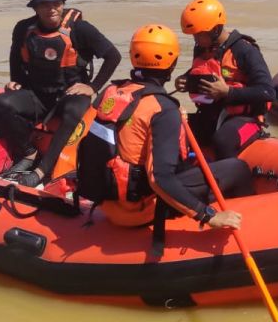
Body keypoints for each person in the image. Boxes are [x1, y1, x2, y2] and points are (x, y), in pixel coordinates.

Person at [76, 24, 251, 228]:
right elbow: (159, 178)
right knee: (237, 168)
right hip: (140, 209)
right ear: (173, 62)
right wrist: (207, 215)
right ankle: (252, 221)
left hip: (108, 202)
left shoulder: (113, 91)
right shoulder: (162, 109)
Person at [0, 0, 121, 186]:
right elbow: (15, 58)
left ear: (62, 4)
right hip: (37, 95)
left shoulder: (81, 29)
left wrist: (93, 87)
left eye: (56, 3)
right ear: (35, 8)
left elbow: (113, 56)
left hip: (69, 95)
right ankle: (28, 153)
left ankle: (42, 169)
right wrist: (15, 82)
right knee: (3, 103)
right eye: (44, 5)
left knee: (74, 110)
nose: (51, 8)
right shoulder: (23, 28)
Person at [175, 0, 275, 159]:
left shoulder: (245, 51)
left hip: (245, 120)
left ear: (215, 30)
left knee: (222, 141)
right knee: (173, 128)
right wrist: (186, 79)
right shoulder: (202, 48)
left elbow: (268, 92)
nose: (195, 39)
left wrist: (228, 92)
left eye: (199, 34)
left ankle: (229, 180)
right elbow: (203, 69)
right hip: (211, 115)